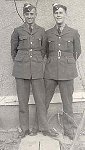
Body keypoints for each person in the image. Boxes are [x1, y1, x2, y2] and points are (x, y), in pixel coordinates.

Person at [11, 3, 57, 138]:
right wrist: (22, 61)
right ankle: (24, 129)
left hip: (37, 69)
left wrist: (35, 61)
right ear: (24, 15)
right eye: (27, 14)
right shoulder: (17, 30)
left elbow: (43, 50)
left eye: (32, 14)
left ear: (35, 15)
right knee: (23, 101)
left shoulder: (41, 31)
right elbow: (13, 51)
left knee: (40, 100)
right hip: (21, 70)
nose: (29, 16)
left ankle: (43, 128)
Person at [44, 3, 81, 140]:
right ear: (54, 15)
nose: (58, 15)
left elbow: (77, 51)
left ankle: (69, 131)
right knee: (44, 100)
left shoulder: (73, 32)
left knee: (67, 102)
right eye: (56, 13)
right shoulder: (48, 33)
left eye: (61, 12)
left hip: (67, 72)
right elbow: (46, 52)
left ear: (65, 14)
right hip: (51, 71)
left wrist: (66, 61)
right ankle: (41, 127)